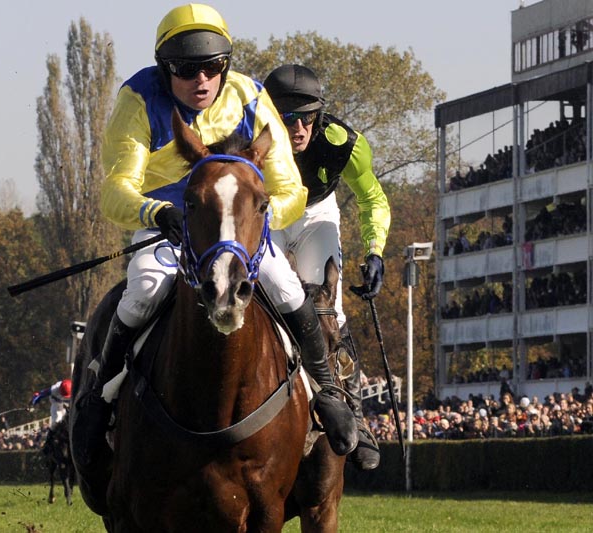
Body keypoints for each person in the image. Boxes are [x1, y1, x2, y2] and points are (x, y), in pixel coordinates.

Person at [72, 3, 359, 471]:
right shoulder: (138, 99)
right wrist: (155, 210)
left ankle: (328, 392)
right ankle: (98, 402)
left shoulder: (250, 94)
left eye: (213, 67)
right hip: (170, 225)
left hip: (242, 231)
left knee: (287, 288)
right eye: (186, 70)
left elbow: (290, 187)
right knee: (142, 292)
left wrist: (258, 220)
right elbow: (114, 189)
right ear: (165, 67)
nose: (201, 80)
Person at [263, 64, 391, 471]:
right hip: (267, 214)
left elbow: (373, 199)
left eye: (307, 117)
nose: (299, 128)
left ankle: (354, 412)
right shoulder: (247, 133)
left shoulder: (345, 144)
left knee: (327, 307)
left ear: (319, 115)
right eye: (287, 119)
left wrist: (375, 251)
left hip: (317, 214)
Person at [30, 378, 72, 454]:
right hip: (57, 404)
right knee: (56, 422)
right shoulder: (54, 389)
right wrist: (33, 403)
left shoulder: (76, 388)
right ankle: (48, 444)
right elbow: (39, 394)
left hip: (70, 404)